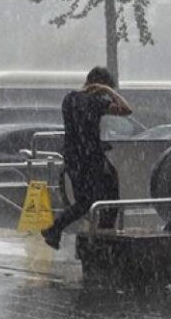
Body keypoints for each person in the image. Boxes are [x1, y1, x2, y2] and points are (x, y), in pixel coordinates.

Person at [41, 67, 133, 250]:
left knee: (84, 201)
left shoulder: (68, 99)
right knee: (110, 195)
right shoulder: (95, 101)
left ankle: (55, 229)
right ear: (98, 85)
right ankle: (104, 234)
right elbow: (127, 109)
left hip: (73, 157)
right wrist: (108, 91)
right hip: (91, 157)